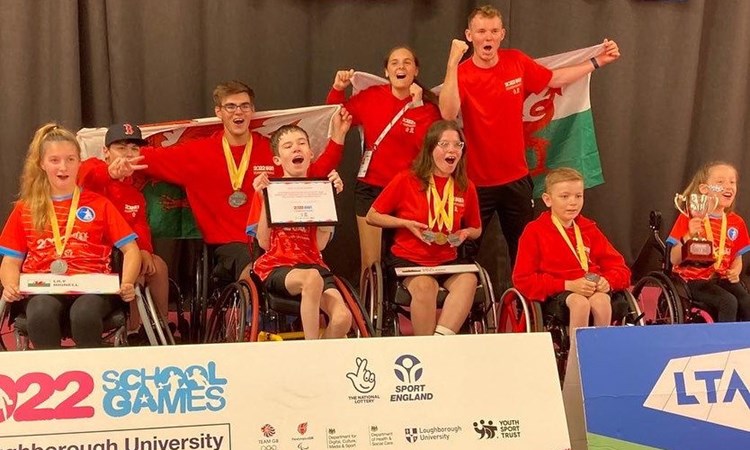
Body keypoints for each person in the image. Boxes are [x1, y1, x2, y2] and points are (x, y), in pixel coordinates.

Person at [111, 80, 350, 281]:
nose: (239, 112)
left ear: (252, 110)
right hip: (227, 247)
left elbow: (309, 173)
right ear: (219, 112)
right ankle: (252, 322)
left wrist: (338, 138)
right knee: (251, 266)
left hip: (272, 244)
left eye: (245, 106)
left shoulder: (269, 149)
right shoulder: (197, 153)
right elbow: (146, 158)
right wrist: (114, 160)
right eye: (231, 107)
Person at [439, 4, 621, 266]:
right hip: (476, 183)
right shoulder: (462, 73)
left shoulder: (516, 61)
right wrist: (452, 62)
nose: (487, 37)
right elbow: (447, 112)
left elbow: (554, 79)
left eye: (493, 31)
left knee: (525, 253)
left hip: (517, 180)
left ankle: (521, 307)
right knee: (465, 252)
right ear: (469, 35)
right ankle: (468, 304)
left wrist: (597, 61)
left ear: (502, 34)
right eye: (481, 31)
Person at [0, 123, 141, 349]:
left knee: (84, 313)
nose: (63, 167)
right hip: (43, 288)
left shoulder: (99, 204)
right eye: (54, 160)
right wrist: (9, 284)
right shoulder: (25, 208)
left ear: (79, 163)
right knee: (40, 312)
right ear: (42, 164)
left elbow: (131, 250)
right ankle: (51, 376)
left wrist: (127, 282)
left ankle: (92, 375)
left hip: (93, 288)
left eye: (70, 159)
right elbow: (11, 260)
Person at [327, 46, 441, 286]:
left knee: (405, 259)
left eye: (407, 62)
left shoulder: (429, 108)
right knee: (371, 264)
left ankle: (398, 312)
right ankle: (371, 317)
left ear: (416, 70)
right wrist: (338, 89)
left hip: (409, 192)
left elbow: (428, 148)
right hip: (372, 188)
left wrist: (418, 105)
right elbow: (337, 117)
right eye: (395, 63)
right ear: (386, 71)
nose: (401, 67)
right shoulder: (371, 97)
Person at [366, 120, 481, 336]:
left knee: (469, 280)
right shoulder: (406, 180)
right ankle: (425, 348)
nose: (451, 150)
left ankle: (439, 342)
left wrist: (465, 233)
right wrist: (405, 224)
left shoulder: (465, 186)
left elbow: (476, 228)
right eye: (444, 144)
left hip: (447, 259)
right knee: (425, 286)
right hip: (410, 258)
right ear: (430, 148)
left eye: (457, 145)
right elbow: (373, 216)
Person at [245, 125, 352, 340]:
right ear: (277, 160)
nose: (296, 148)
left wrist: (328, 201)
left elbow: (320, 245)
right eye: (288, 146)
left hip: (312, 263)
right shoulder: (267, 190)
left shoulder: (319, 190)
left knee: (342, 318)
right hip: (278, 265)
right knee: (311, 278)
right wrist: (266, 199)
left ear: (311, 154)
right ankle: (310, 351)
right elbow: (264, 242)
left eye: (302, 143)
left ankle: (320, 359)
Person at [512, 168, 630, 345]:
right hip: (557, 290)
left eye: (578, 196)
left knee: (601, 299)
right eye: (565, 196)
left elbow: (620, 268)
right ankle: (575, 360)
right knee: (579, 303)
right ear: (547, 200)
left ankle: (600, 352)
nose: (572, 203)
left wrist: (608, 281)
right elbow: (522, 279)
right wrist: (567, 285)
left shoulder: (589, 228)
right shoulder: (534, 232)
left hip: (591, 286)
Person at [78, 123, 170, 339]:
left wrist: (145, 250)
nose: (128, 154)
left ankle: (156, 328)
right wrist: (110, 172)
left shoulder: (135, 195)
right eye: (121, 147)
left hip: (124, 253)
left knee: (156, 266)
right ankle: (133, 330)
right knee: (136, 263)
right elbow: (85, 176)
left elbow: (140, 227)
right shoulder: (92, 169)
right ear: (105, 152)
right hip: (89, 253)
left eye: (134, 149)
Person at [667, 161, 750, 322]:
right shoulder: (689, 217)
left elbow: (737, 257)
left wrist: (736, 270)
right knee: (728, 302)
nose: (728, 186)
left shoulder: (736, 222)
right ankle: (724, 345)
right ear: (704, 189)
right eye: (720, 182)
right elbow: (673, 259)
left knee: (747, 301)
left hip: (722, 278)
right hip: (693, 280)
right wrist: (689, 235)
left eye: (732, 182)